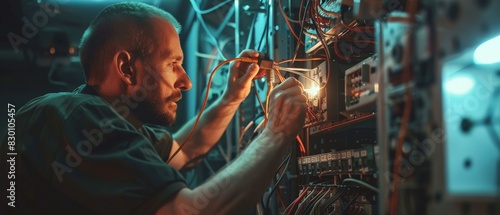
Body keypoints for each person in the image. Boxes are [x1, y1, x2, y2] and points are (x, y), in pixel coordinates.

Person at [0, 2, 307, 215]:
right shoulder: (76, 117)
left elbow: (186, 150)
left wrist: (231, 97)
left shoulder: (109, 122)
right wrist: (275, 133)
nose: (186, 82)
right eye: (173, 64)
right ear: (127, 68)